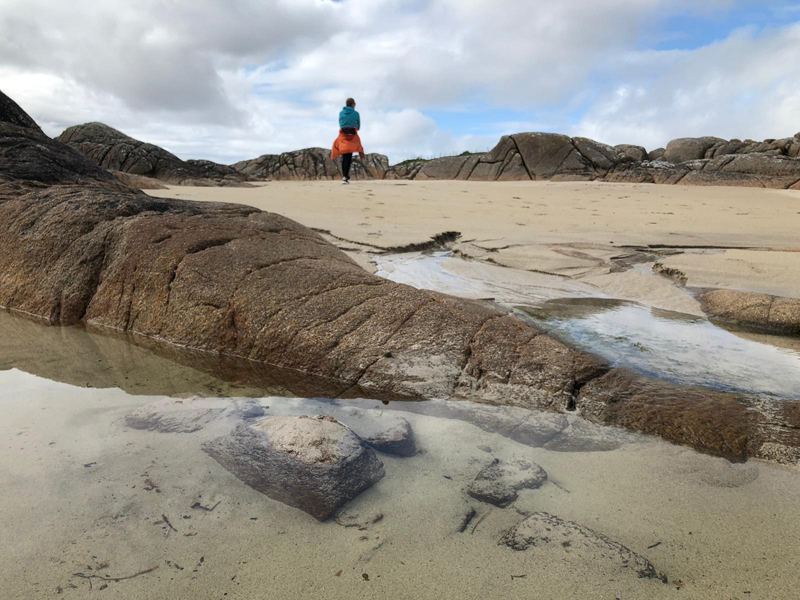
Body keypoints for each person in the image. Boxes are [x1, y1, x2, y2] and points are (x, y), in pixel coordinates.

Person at [331, 98, 366, 183]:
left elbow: (341, 124)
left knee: (345, 156)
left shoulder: (341, 113)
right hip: (352, 135)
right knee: (349, 157)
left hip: (343, 135)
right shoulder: (356, 113)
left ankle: (345, 176)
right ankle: (345, 176)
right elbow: (358, 126)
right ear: (353, 104)